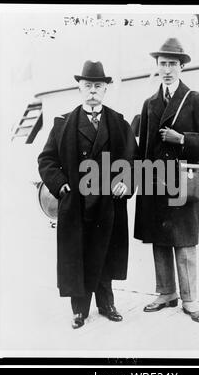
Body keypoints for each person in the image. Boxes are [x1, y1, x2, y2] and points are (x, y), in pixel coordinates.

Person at [38, 60, 138, 329]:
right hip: (77, 204)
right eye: (87, 85)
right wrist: (60, 185)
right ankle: (79, 310)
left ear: (105, 89)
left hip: (108, 203)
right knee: (78, 255)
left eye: (98, 86)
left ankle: (107, 305)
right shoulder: (63, 124)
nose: (92, 90)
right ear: (79, 88)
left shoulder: (119, 123)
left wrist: (124, 182)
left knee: (105, 253)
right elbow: (47, 160)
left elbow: (133, 161)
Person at [134, 38, 199, 323]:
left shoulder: (195, 98)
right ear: (157, 66)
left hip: (183, 180)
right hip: (156, 180)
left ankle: (190, 299)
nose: (167, 69)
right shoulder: (149, 104)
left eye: (172, 64)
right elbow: (144, 147)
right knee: (159, 238)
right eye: (162, 64)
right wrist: (138, 181)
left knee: (183, 241)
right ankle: (166, 293)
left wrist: (182, 138)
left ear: (182, 66)